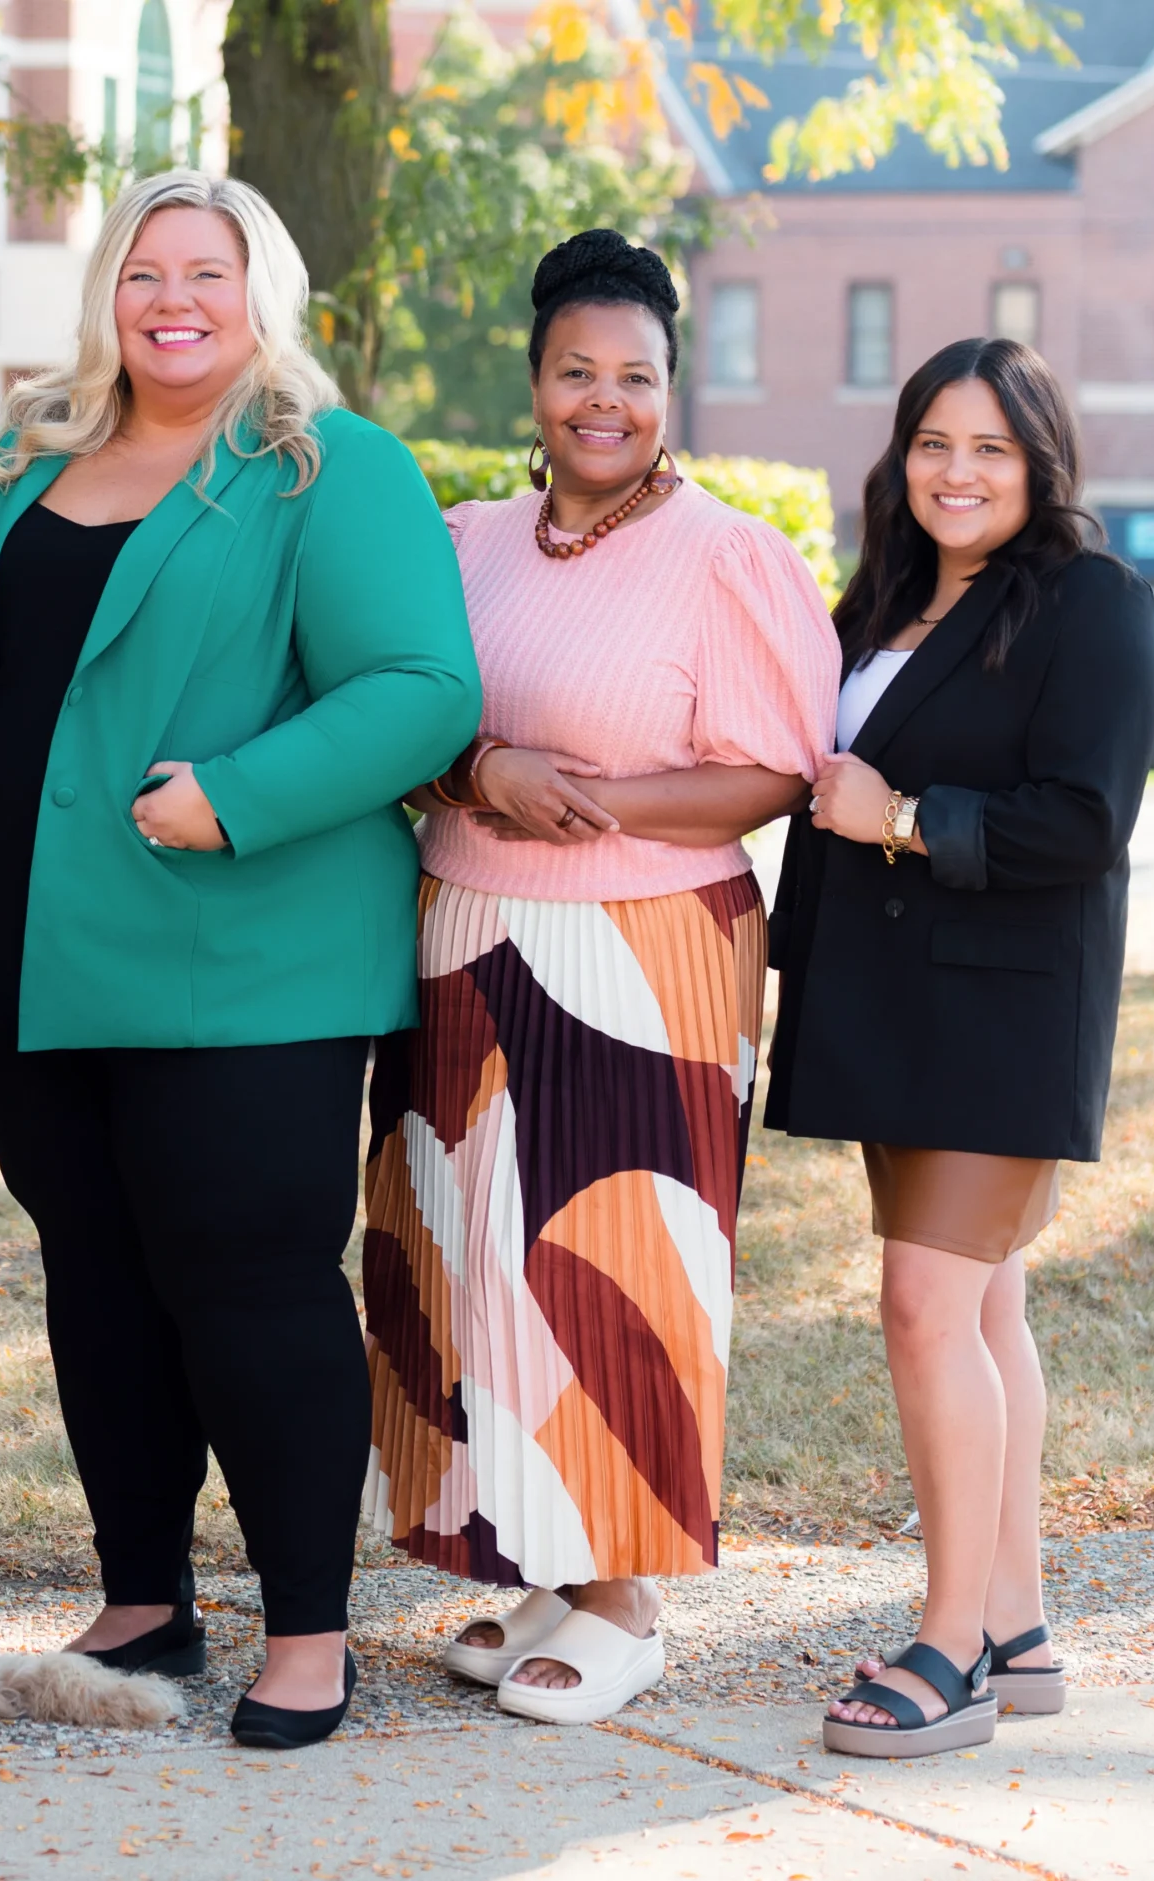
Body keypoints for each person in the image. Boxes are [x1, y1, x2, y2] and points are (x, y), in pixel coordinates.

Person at [0, 170, 481, 1751]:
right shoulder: (16, 470)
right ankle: (146, 1591)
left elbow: (421, 689)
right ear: (106, 294)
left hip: (244, 960)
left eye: (209, 269)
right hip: (39, 956)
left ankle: (310, 1629)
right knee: (96, 1277)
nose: (172, 299)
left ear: (265, 291)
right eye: (144, 270)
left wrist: (235, 799)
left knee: (251, 1283)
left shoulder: (330, 470)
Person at [359, 229, 841, 1726]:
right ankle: (536, 1562)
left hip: (646, 954)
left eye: (635, 375)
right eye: (578, 370)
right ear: (535, 380)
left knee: (616, 1260)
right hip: (460, 934)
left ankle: (624, 1589)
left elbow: (774, 773)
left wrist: (598, 802)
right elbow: (401, 712)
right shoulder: (462, 540)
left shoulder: (727, 558)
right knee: (468, 1247)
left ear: (670, 389)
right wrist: (484, 768)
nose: (604, 399)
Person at [769, 338, 1154, 1758]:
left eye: (991, 447)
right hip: (892, 1011)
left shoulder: (1091, 602)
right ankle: (1019, 1621)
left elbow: (1086, 819)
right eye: (935, 441)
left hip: (1004, 1013)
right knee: (986, 1310)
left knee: (926, 1311)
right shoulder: (879, 602)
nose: (958, 470)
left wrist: (908, 817)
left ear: (1039, 462)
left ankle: (953, 1652)